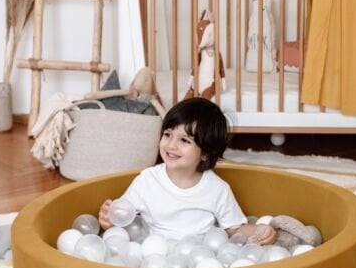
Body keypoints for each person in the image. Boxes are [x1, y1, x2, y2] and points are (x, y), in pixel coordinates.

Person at [98, 97, 276, 245]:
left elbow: (234, 229)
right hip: (154, 253)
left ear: (205, 153)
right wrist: (109, 220)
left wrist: (260, 230)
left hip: (201, 257)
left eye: (184, 140)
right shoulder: (147, 181)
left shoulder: (217, 189)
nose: (171, 145)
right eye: (167, 134)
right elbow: (121, 216)